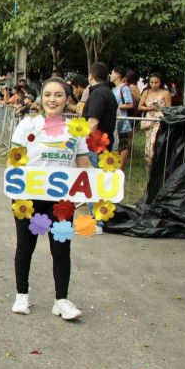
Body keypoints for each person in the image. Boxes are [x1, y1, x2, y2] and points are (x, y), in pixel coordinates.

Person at [10, 77, 90, 321]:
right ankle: (21, 294)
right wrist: (16, 188)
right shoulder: (27, 125)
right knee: (26, 246)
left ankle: (61, 300)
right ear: (41, 98)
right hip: (27, 198)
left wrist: (88, 192)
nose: (52, 100)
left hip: (61, 202)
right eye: (47, 95)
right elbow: (14, 159)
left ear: (68, 100)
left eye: (58, 95)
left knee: (61, 249)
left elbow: (83, 164)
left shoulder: (76, 130)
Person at [83, 62, 117, 234]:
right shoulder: (108, 93)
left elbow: (92, 123)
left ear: (91, 76)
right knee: (98, 184)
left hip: (95, 146)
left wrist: (79, 139)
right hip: (104, 145)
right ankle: (98, 220)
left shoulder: (98, 94)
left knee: (93, 184)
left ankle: (96, 222)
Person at [137, 73, 171, 165]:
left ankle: (156, 166)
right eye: (151, 82)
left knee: (153, 143)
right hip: (148, 121)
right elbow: (140, 107)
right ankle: (149, 170)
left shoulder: (165, 93)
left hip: (159, 121)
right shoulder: (146, 92)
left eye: (156, 82)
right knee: (148, 147)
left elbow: (169, 108)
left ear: (160, 82)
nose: (153, 84)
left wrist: (160, 110)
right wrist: (151, 109)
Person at [110, 66, 135, 169]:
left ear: (117, 75)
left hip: (122, 122)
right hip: (114, 121)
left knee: (123, 144)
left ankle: (121, 168)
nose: (110, 75)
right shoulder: (113, 88)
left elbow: (130, 104)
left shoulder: (124, 88)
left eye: (112, 73)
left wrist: (115, 106)